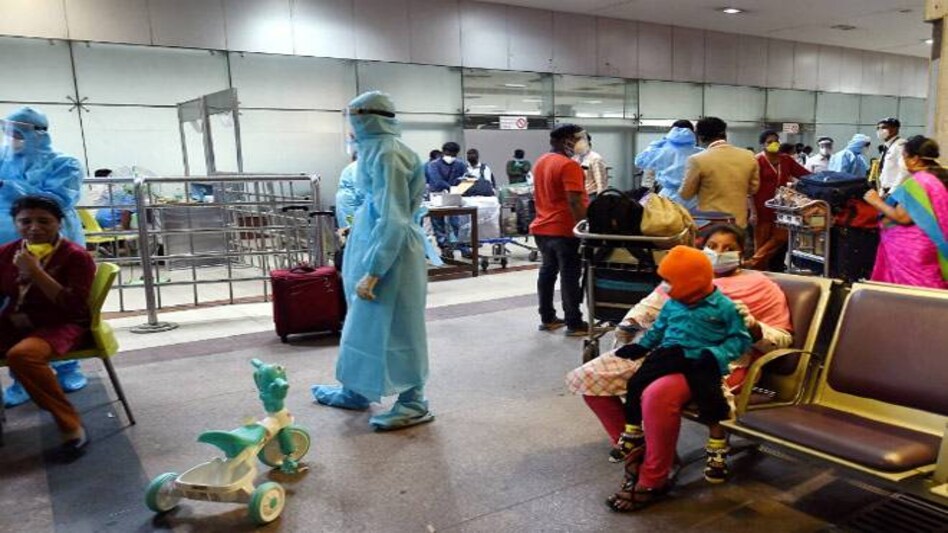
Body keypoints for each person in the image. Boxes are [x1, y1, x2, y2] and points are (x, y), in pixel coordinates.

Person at [566, 225, 792, 507]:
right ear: (702, 248)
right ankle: (641, 453)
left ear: (742, 253)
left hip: (716, 362)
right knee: (589, 377)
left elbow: (782, 340)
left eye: (728, 248)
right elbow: (650, 309)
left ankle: (653, 477)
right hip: (667, 351)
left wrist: (755, 327)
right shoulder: (682, 277)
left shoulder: (763, 288)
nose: (719, 253)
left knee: (657, 394)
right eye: (713, 246)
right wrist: (630, 326)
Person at [311, 91, 434, 431]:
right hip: (371, 246)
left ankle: (413, 401)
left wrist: (375, 271)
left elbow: (393, 217)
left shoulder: (388, 153)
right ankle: (356, 389)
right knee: (360, 325)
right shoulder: (373, 151)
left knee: (399, 327)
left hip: (391, 255)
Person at [605, 245, 753, 512]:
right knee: (637, 382)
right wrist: (642, 346)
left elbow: (740, 339)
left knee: (713, 403)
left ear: (691, 282)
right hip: (670, 354)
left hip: (702, 360)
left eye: (669, 280)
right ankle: (633, 432)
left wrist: (717, 354)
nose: (665, 286)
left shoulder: (724, 307)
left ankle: (718, 451)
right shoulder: (672, 304)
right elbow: (659, 329)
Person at [1, 107, 88, 407]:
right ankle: (22, 376)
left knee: (57, 302)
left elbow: (58, 201)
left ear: (38, 131)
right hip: (9, 250)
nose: (12, 137)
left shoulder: (64, 163)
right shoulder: (2, 159)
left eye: (19, 131)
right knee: (13, 306)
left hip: (55, 249)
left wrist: (12, 189)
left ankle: (67, 367)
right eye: (8, 130)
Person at [1, 195, 97, 458]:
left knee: (23, 356)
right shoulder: (8, 252)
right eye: (25, 221)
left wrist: (36, 273)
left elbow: (74, 306)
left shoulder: (76, 256)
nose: (34, 227)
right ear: (15, 223)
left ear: (59, 222)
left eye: (44, 221)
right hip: (14, 321)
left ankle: (71, 426)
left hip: (61, 323)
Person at [864, 135, 948, 290]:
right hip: (934, 247)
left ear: (915, 159)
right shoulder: (941, 177)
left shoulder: (917, 183)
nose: (902, 161)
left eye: (904, 156)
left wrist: (875, 201)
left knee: (912, 293)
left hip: (913, 251)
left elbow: (902, 217)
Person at [531, 124, 589, 336]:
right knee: (570, 275)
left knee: (548, 271)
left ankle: (547, 318)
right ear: (567, 140)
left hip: (542, 227)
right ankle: (574, 322)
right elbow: (574, 200)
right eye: (579, 138)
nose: (582, 142)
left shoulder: (541, 162)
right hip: (564, 229)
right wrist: (584, 227)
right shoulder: (569, 165)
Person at [680, 117, 760, 228]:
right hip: (738, 221)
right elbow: (753, 189)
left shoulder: (696, 160)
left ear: (701, 137)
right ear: (724, 134)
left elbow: (685, 194)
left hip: (710, 224)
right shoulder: (748, 156)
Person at [749, 130, 810, 270]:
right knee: (761, 241)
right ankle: (760, 271)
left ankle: (754, 262)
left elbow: (804, 174)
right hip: (761, 208)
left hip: (782, 208)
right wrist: (753, 212)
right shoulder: (756, 160)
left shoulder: (786, 159)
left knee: (781, 238)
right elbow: (749, 188)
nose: (773, 144)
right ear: (762, 144)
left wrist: (822, 180)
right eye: (769, 142)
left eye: (776, 141)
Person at [634, 121, 701, 210]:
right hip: (694, 198)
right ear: (693, 133)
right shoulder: (702, 152)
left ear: (671, 133)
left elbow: (639, 161)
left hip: (668, 198)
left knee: (666, 221)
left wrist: (654, 145)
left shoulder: (661, 151)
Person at [425, 141, 469, 258]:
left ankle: (463, 247)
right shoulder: (433, 165)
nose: (451, 157)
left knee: (457, 222)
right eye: (449, 153)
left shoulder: (460, 164)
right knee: (438, 223)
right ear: (443, 152)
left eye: (454, 154)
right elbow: (437, 181)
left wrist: (464, 184)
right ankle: (444, 247)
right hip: (437, 196)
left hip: (455, 196)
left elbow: (464, 178)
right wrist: (450, 187)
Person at [876, 117, 911, 194]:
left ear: (895, 129)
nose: (880, 131)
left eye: (884, 128)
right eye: (878, 128)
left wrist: (892, 192)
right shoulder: (887, 146)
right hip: (885, 190)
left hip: (896, 192)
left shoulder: (900, 145)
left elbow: (905, 170)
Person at [573, 133, 608, 199]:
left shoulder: (595, 158)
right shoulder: (575, 158)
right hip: (579, 195)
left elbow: (601, 183)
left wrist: (600, 200)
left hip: (591, 195)